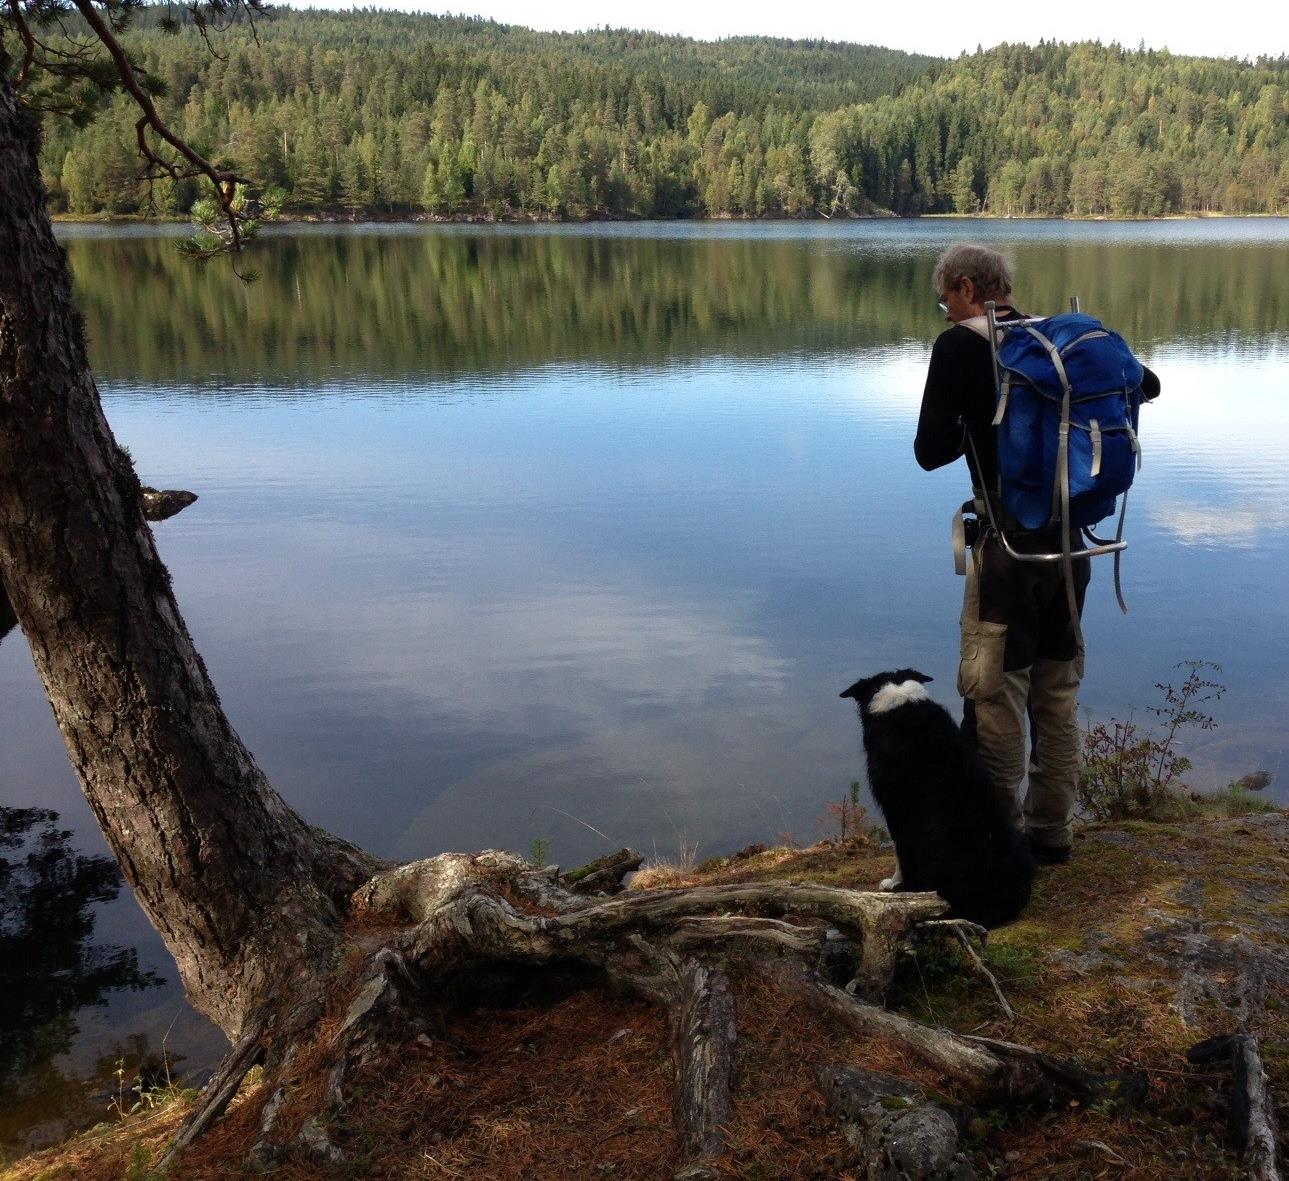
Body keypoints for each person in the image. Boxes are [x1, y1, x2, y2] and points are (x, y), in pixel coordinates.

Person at [914, 243, 1159, 865]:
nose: (944, 312)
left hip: (1007, 551)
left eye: (945, 299)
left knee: (996, 695)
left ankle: (995, 845)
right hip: (1072, 548)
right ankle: (1052, 833)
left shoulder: (960, 347)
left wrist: (975, 419)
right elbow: (1146, 384)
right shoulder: (1052, 340)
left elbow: (929, 450)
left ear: (968, 287)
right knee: (1057, 693)